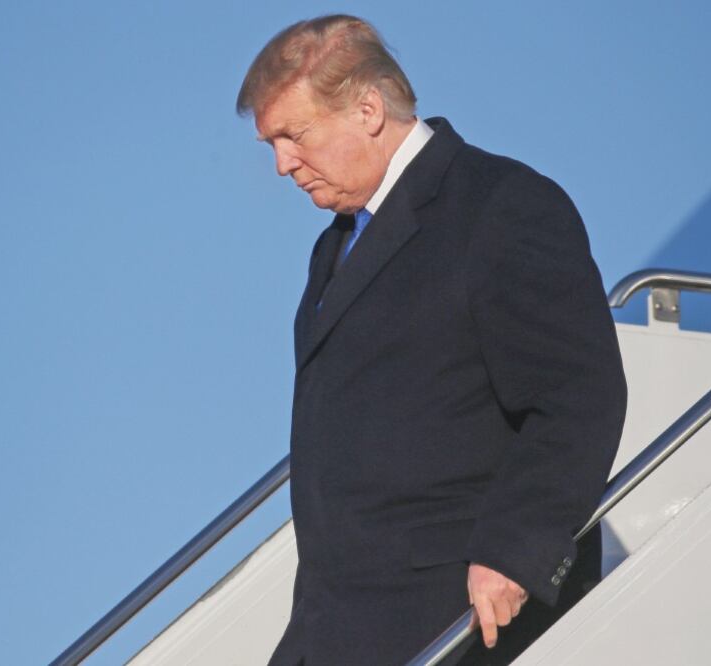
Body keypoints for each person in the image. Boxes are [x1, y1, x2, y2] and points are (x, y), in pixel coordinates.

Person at [236, 15, 628, 665]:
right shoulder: (334, 248)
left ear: (367, 109)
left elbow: (577, 395)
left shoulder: (499, 205)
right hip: (335, 630)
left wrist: (516, 551)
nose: (282, 165)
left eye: (294, 135)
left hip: (456, 623)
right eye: (271, 143)